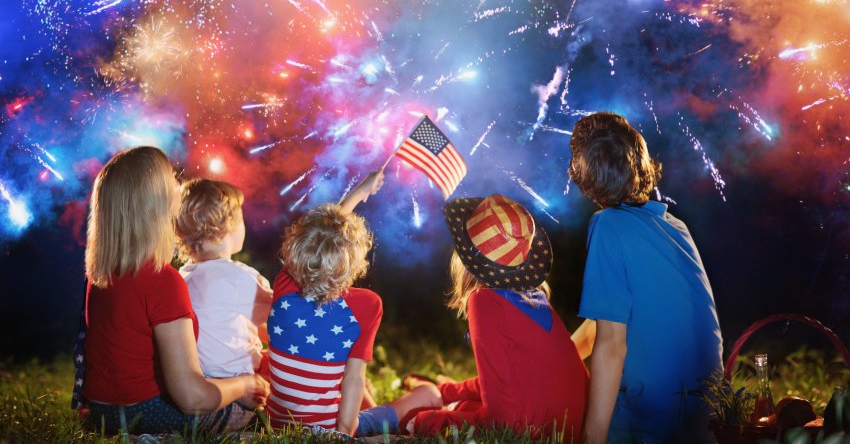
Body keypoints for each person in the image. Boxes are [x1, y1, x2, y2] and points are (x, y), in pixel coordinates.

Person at [82, 146, 269, 435]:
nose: (179, 184)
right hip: (144, 415)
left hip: (100, 414)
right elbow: (192, 398)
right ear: (155, 201)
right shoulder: (163, 280)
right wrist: (246, 385)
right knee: (247, 408)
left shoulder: (101, 277)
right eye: (171, 178)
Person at [569, 112, 723, 443]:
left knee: (576, 412)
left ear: (586, 176)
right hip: (707, 413)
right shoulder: (675, 227)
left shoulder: (608, 225)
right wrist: (563, 354)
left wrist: (592, 436)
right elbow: (608, 319)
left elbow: (611, 343)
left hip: (652, 418)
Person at [392, 194, 593, 441]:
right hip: (569, 429)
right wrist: (447, 391)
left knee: (423, 418)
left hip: (530, 432)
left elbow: (501, 420)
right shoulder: (536, 297)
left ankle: (370, 421)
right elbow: (506, 383)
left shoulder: (484, 301)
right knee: (454, 403)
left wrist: (426, 421)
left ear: (466, 257)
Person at [266, 170, 394, 436]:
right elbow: (353, 379)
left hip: (276, 424)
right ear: (354, 262)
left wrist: (359, 192)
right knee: (411, 402)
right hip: (326, 429)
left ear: (296, 249)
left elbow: (322, 236)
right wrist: (344, 434)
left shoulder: (284, 285)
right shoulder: (367, 305)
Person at [175, 179, 273, 380]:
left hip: (202, 381)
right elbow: (281, 316)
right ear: (230, 224)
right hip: (237, 384)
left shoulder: (183, 276)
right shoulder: (236, 276)